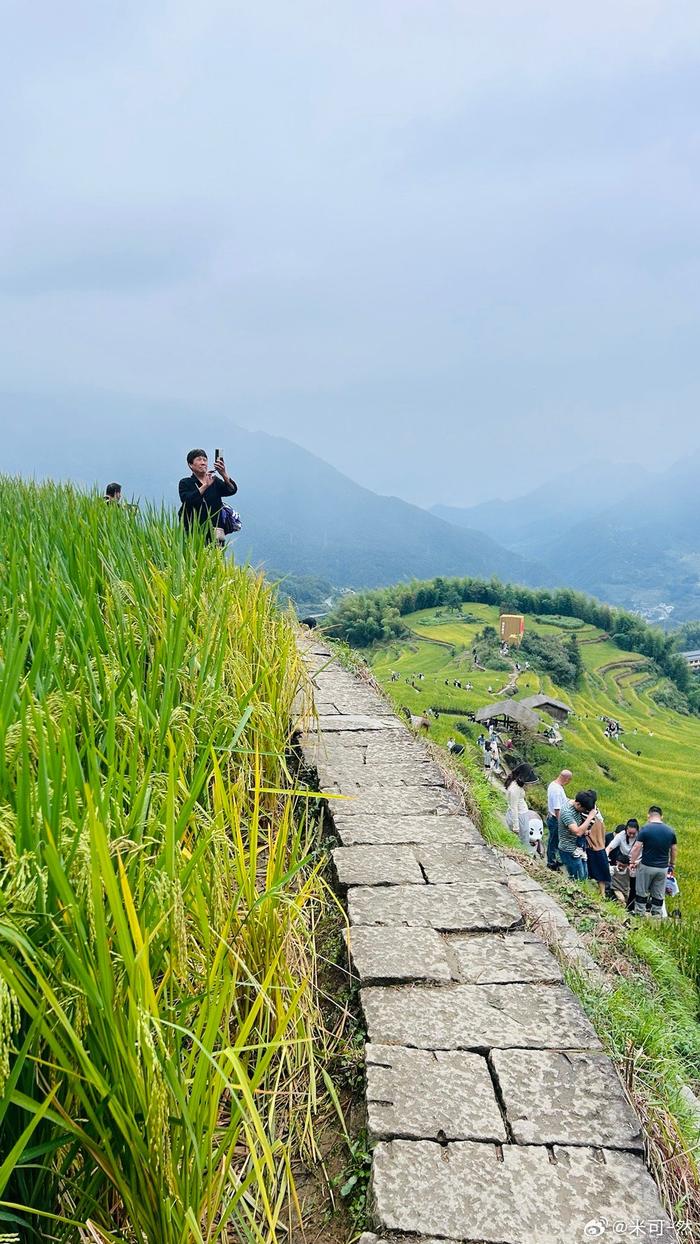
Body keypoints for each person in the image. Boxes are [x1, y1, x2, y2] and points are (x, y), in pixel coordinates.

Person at [178, 449, 237, 542]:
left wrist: (223, 474)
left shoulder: (215, 481)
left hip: (215, 532)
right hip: (194, 532)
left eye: (205, 460)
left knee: (216, 556)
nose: (203, 463)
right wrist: (205, 486)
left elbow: (231, 490)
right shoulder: (185, 483)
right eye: (199, 460)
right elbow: (187, 501)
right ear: (190, 465)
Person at [630, 806, 678, 918]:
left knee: (641, 891)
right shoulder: (670, 831)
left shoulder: (645, 829)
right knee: (658, 893)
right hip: (663, 868)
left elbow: (637, 847)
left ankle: (639, 914)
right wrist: (672, 864)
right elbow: (674, 849)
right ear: (661, 816)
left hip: (647, 866)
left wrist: (632, 861)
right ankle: (656, 915)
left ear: (648, 815)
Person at [558, 790, 598, 880]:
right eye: (584, 809)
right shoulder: (567, 812)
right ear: (578, 804)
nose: (584, 811)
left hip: (579, 848)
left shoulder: (577, 806)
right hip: (569, 849)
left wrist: (586, 830)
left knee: (584, 876)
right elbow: (578, 832)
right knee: (578, 878)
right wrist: (590, 817)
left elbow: (580, 829)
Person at [504, 763, 538, 854]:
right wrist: (516, 826)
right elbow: (513, 808)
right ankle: (523, 854)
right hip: (519, 816)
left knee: (523, 837)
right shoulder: (514, 789)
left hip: (521, 814)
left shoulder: (515, 783)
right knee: (523, 839)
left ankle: (522, 853)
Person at [606, 819, 639, 910]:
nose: (632, 835)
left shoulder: (640, 837)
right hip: (623, 860)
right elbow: (610, 847)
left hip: (636, 863)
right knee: (618, 879)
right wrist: (606, 856)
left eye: (634, 834)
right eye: (629, 833)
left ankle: (630, 907)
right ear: (626, 831)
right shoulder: (621, 835)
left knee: (633, 886)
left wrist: (636, 862)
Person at [583, 794, 611, 897]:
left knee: (593, 872)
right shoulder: (598, 814)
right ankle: (602, 893)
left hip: (592, 847)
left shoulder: (590, 816)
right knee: (601, 874)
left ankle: (601, 893)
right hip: (599, 847)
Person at [546, 768, 572, 871]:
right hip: (556, 819)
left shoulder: (554, 784)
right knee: (553, 842)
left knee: (555, 841)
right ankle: (551, 862)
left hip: (553, 817)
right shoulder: (556, 790)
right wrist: (562, 822)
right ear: (567, 779)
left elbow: (563, 801)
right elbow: (557, 809)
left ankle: (553, 859)